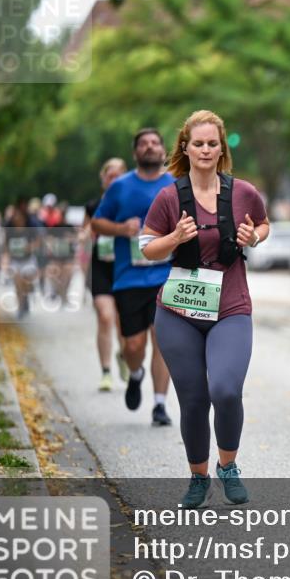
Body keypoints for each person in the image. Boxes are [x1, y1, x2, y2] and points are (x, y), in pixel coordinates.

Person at [142, 110, 269, 509]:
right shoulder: (168, 196)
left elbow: (264, 225)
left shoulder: (243, 192)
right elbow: (146, 247)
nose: (205, 149)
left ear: (222, 147)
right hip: (178, 311)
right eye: (198, 143)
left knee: (226, 389)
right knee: (194, 398)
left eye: (213, 143)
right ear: (185, 146)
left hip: (230, 307)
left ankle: (228, 466)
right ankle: (198, 478)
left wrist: (254, 236)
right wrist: (175, 237)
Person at [91, 128, 174, 426]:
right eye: (143, 143)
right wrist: (121, 229)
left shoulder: (175, 185)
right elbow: (97, 222)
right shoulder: (121, 187)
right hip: (128, 278)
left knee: (162, 339)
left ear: (163, 150)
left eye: (155, 142)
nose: (150, 147)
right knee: (133, 346)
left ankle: (160, 404)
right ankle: (135, 373)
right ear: (135, 152)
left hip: (166, 276)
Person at [85, 158, 129, 391]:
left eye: (118, 176)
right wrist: (84, 237)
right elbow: (85, 231)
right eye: (109, 176)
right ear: (103, 180)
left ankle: (123, 355)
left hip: (124, 268)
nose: (113, 180)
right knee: (105, 317)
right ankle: (105, 372)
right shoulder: (94, 206)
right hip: (100, 267)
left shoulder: (131, 204)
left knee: (124, 324)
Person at [3, 199, 44, 319]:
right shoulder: (9, 229)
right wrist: (6, 258)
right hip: (15, 260)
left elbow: (38, 241)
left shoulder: (31, 227)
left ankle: (26, 299)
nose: (17, 218)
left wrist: (29, 247)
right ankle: (20, 307)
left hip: (28, 260)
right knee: (17, 282)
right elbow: (5, 245)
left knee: (25, 284)